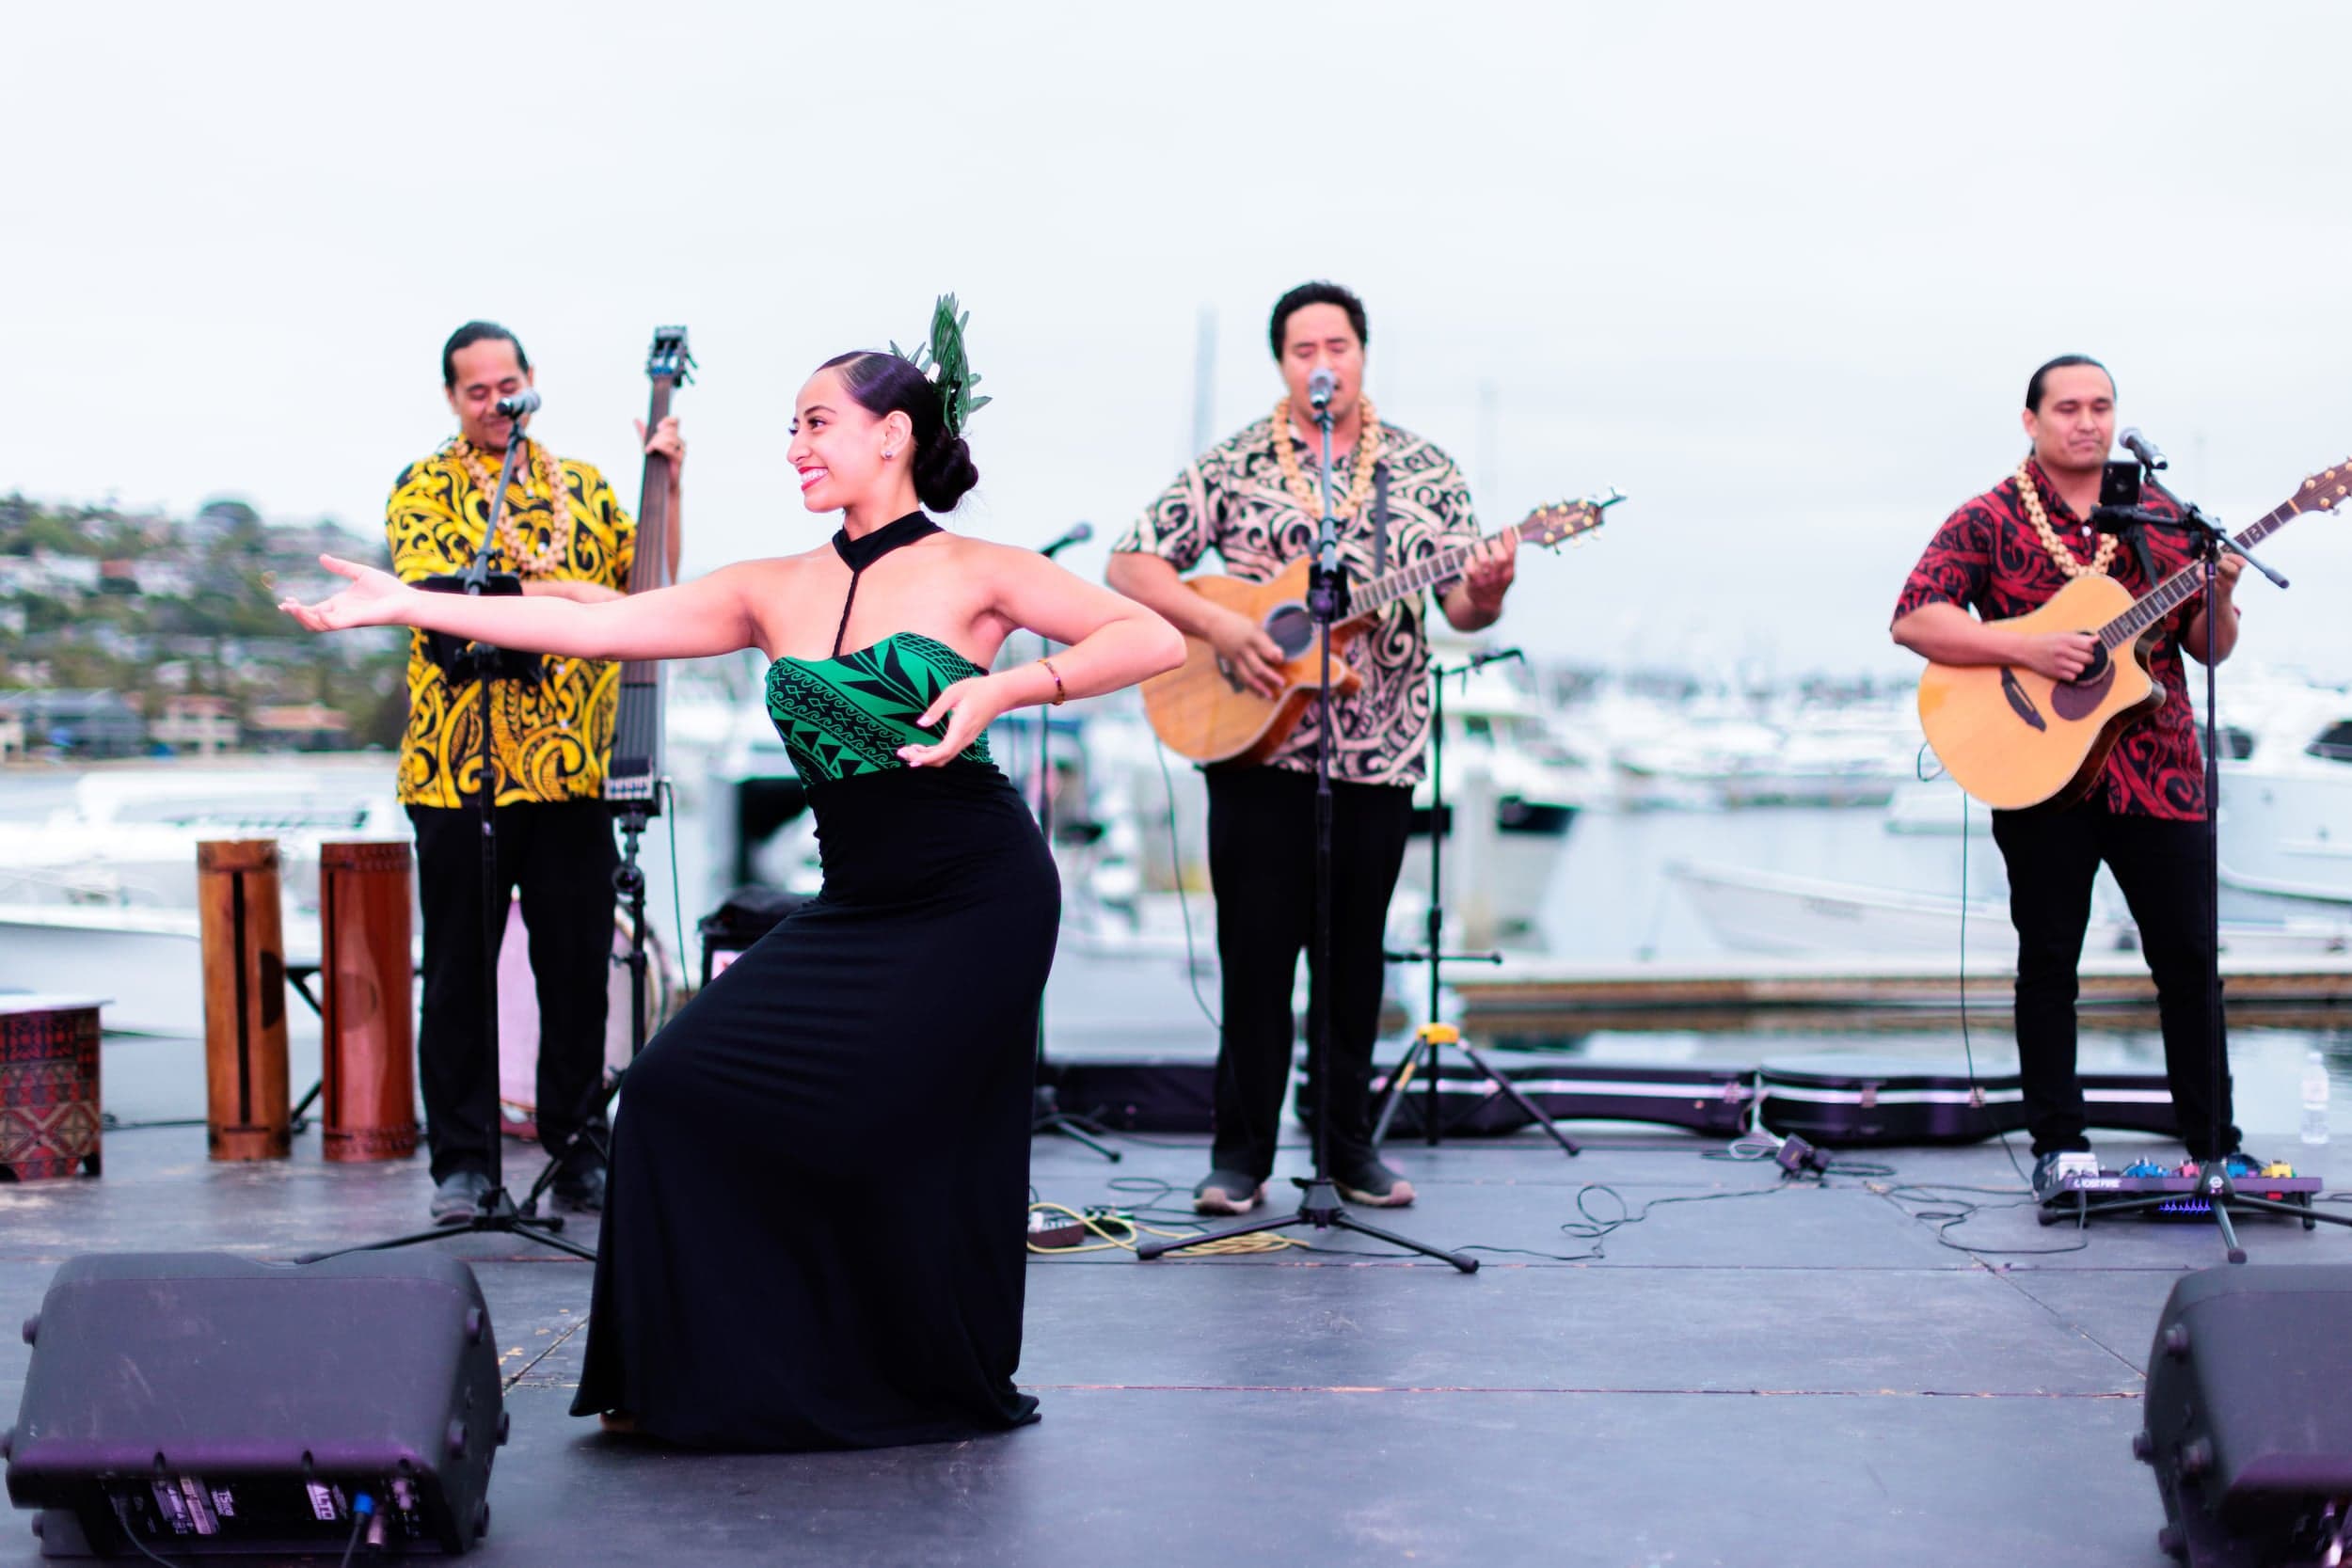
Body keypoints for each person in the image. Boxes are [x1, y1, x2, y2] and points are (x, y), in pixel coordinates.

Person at [285, 304, 1184, 1450]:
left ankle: (905, 1364)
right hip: (858, 901)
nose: (798, 444)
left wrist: (1007, 689)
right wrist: (407, 601)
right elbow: (608, 630)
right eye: (791, 427)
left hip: (978, 896)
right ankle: (706, 1369)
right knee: (668, 1090)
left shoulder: (976, 570)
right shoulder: (773, 587)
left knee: (897, 1132)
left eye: (817, 422)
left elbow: (1149, 640)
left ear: (892, 434)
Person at [1105, 281, 1518, 1215]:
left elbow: (1461, 607)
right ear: (1283, 362)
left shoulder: (1424, 469)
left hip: (1377, 750)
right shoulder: (1236, 462)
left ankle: (1346, 1149)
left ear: (1362, 352)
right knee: (1253, 956)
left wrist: (1490, 587)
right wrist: (1222, 627)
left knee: (1352, 959)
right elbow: (1130, 562)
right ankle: (1238, 1157)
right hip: (1254, 742)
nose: (1321, 361)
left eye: (1337, 343)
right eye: (1302, 349)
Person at [1891, 354, 2249, 1196]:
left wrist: (2222, 594)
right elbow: (1915, 617)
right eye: (2068, 408)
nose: (2086, 422)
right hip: (2040, 766)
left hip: (2158, 766)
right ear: (2032, 421)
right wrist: (2027, 646)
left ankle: (2214, 1148)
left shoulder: (2165, 519)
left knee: (2191, 960)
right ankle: (2061, 1143)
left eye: (2101, 406)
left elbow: (2209, 647)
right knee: (2050, 958)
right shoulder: (1988, 518)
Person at [385, 321, 687, 1225]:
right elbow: (444, 597)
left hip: (569, 769)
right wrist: (573, 598)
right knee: (460, 970)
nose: (494, 402)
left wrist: (670, 481)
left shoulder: (587, 488)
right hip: (456, 768)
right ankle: (464, 1165)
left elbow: (653, 591)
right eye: (475, 391)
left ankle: (577, 1142)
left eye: (506, 384)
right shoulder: (425, 485)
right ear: (450, 398)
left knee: (574, 966)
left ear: (531, 380)